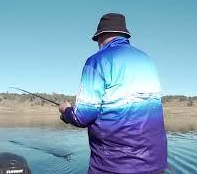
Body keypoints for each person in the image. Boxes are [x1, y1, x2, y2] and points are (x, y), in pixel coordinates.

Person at [58, 13, 167, 173]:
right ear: (124, 35)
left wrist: (66, 110)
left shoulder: (97, 61)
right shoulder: (147, 60)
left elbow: (81, 117)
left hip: (114, 166)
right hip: (156, 164)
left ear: (101, 36)